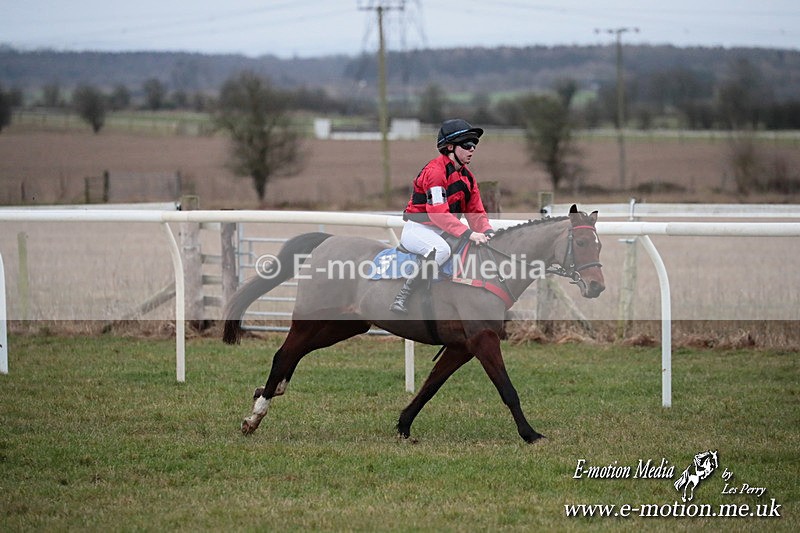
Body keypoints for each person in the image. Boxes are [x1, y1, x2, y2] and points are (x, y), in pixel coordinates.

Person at [390, 118, 494, 314]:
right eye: (467, 144)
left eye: (474, 145)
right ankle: (403, 296)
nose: (472, 149)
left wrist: (488, 231)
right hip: (419, 229)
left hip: (443, 229)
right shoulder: (435, 172)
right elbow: (437, 213)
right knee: (441, 250)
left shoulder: (468, 177)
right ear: (450, 147)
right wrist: (468, 233)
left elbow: (476, 213)